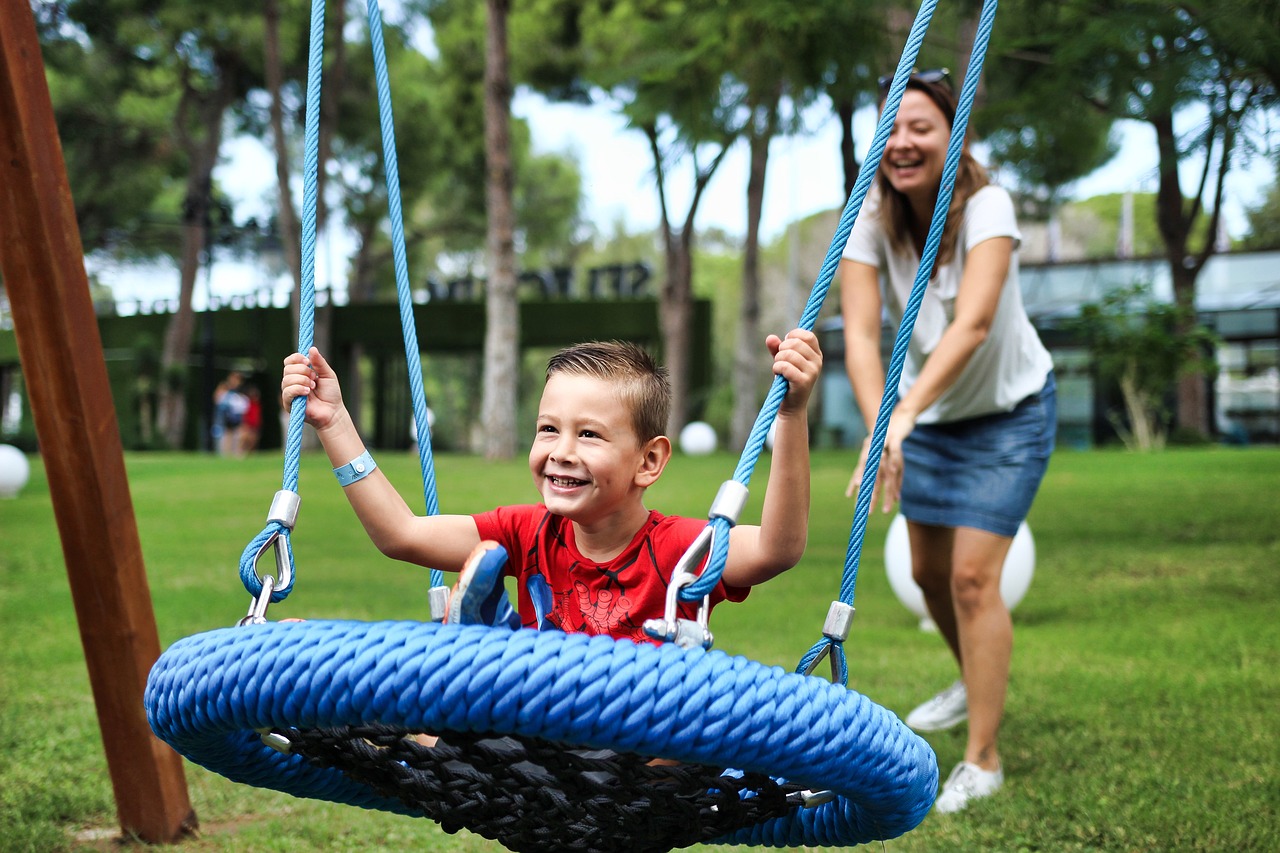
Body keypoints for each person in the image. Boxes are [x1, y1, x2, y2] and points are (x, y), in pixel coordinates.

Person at [280, 334, 821, 644]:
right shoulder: (524, 533)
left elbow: (778, 549)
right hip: (539, 751)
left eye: (588, 434)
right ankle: (326, 677)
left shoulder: (682, 551)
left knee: (683, 722)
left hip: (637, 758)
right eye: (547, 429)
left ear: (649, 461)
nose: (561, 451)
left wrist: (791, 416)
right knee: (427, 717)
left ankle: (482, 645)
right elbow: (401, 534)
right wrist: (334, 423)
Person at [839, 69, 1056, 814]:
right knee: (930, 576)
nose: (902, 143)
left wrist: (903, 415)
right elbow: (862, 337)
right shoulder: (870, 214)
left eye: (921, 127)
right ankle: (974, 678)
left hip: (1008, 414)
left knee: (970, 579)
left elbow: (972, 324)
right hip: (926, 419)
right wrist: (882, 429)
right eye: (891, 129)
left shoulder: (988, 204)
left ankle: (984, 757)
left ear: (953, 136)